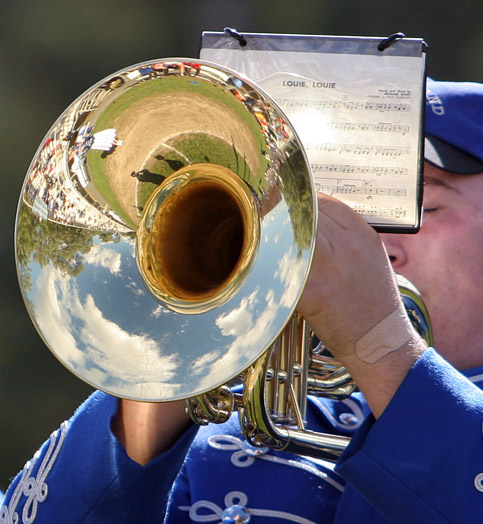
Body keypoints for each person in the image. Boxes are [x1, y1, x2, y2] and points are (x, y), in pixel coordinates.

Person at [1, 78, 483, 524]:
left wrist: (381, 347)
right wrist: (160, 379)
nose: (364, 239)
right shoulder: (236, 420)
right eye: (347, 207)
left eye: (423, 206)